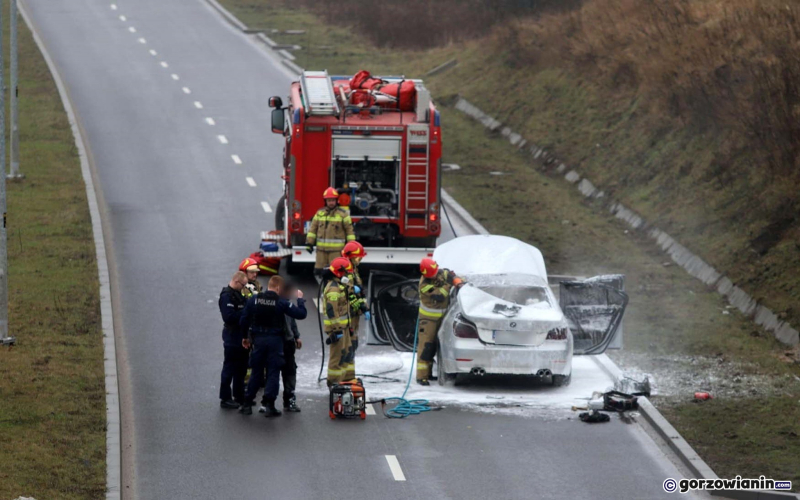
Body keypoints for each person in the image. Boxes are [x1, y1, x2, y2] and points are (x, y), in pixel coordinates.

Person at [239, 275, 307, 417]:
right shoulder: (280, 302)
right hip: (275, 341)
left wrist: (245, 337)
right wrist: (300, 300)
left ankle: (246, 404)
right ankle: (269, 405)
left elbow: (244, 319)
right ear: (278, 288)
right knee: (273, 373)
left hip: (259, 340)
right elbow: (301, 314)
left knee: (256, 373)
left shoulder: (254, 299)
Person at [416, 258, 465, 385]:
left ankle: (429, 373)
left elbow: (453, 277)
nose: (435, 274)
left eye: (435, 271)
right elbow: (440, 295)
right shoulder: (424, 284)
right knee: (426, 347)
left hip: (443, 318)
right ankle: (422, 376)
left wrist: (458, 283)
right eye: (432, 273)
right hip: (428, 321)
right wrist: (448, 284)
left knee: (435, 347)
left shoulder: (441, 273)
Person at [260, 281, 303, 414]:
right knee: (272, 373)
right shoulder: (275, 304)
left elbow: (292, 320)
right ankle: (267, 402)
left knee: (289, 372)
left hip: (287, 343)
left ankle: (289, 399)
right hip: (277, 342)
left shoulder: (286, 303)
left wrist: (296, 336)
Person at [305, 187, 356, 275]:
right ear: (325, 201)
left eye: (333, 200)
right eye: (329, 200)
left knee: (335, 273)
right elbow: (313, 229)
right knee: (319, 272)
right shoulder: (319, 213)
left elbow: (349, 232)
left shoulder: (343, 215)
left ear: (336, 201)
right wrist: (309, 243)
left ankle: (334, 288)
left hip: (336, 252)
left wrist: (351, 248)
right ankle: (323, 289)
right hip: (321, 251)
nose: (331, 203)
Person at [218, 271, 250, 409]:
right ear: (236, 281)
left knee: (241, 368)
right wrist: (245, 313)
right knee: (229, 367)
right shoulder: (226, 296)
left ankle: (239, 395)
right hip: (232, 335)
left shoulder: (239, 295)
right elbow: (229, 317)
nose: (243, 288)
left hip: (241, 335)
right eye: (243, 285)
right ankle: (225, 398)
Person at [323, 257, 356, 387]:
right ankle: (333, 381)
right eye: (346, 272)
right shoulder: (334, 289)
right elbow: (332, 311)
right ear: (339, 272)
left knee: (347, 352)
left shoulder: (341, 286)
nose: (348, 275)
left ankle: (347, 378)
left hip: (344, 327)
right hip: (337, 329)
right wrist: (336, 330)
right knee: (337, 356)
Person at [341, 241, 370, 354]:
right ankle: (345, 370)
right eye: (358, 258)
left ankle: (350, 371)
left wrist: (365, 307)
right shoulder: (345, 272)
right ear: (351, 257)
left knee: (353, 344)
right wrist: (361, 306)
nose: (360, 260)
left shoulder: (354, 271)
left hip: (354, 314)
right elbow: (350, 295)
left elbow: (360, 293)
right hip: (348, 313)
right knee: (348, 347)